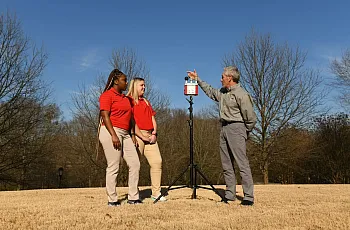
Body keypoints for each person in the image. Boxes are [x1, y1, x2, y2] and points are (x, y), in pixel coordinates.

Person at [187, 66, 257, 206]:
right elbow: (211, 92)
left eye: (223, 76)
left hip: (237, 128)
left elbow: (251, 118)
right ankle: (229, 195)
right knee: (226, 164)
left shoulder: (242, 94)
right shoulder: (223, 93)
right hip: (224, 128)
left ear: (230, 78)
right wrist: (198, 80)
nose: (221, 79)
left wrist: (244, 132)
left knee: (242, 163)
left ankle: (248, 196)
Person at [98, 69, 145, 206]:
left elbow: (131, 118)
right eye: (124, 80)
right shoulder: (107, 96)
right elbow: (105, 116)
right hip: (111, 131)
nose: (126, 83)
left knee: (135, 163)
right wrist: (113, 135)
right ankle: (112, 200)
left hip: (125, 134)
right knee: (114, 166)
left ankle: (133, 198)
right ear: (116, 81)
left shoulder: (126, 99)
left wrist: (132, 134)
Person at [126, 77, 167, 202]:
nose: (144, 88)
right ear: (134, 86)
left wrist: (154, 133)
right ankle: (133, 194)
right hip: (137, 135)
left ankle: (156, 192)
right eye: (141, 85)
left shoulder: (146, 102)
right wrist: (141, 136)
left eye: (144, 85)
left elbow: (152, 119)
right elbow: (131, 122)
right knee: (135, 165)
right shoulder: (128, 101)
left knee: (157, 162)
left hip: (150, 136)